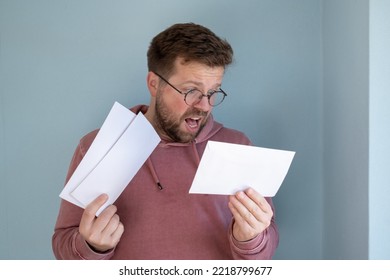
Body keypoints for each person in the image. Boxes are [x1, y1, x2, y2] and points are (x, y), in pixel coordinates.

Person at [52, 22, 279, 260]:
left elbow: (265, 245)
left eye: (214, 92)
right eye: (191, 90)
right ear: (154, 83)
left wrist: (250, 240)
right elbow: (63, 243)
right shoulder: (98, 146)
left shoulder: (237, 146)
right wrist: (92, 247)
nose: (204, 106)